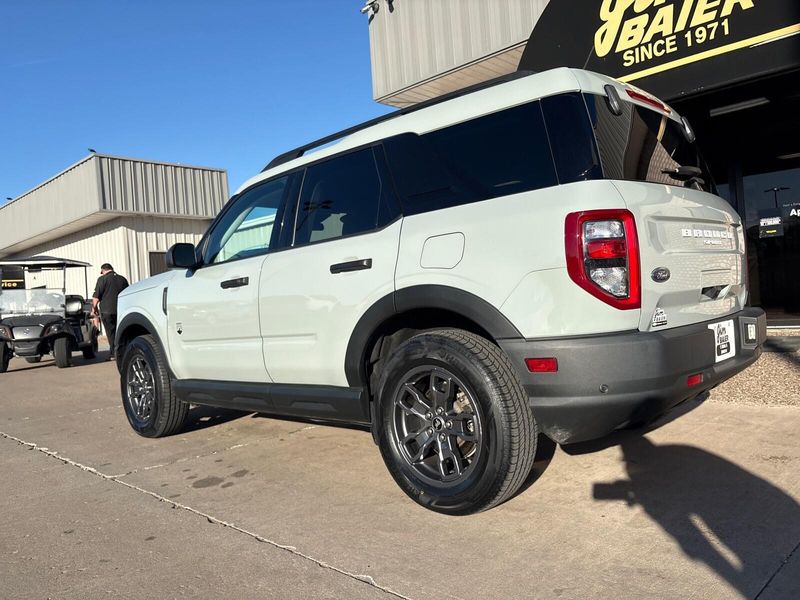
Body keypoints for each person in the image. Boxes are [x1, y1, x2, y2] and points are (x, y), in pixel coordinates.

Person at [92, 263, 129, 360]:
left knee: (111, 333)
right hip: (121, 309)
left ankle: (114, 354)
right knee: (120, 331)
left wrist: (94, 308)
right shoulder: (122, 279)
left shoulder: (102, 279)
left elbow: (96, 296)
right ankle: (124, 352)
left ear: (103, 270)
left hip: (107, 311)